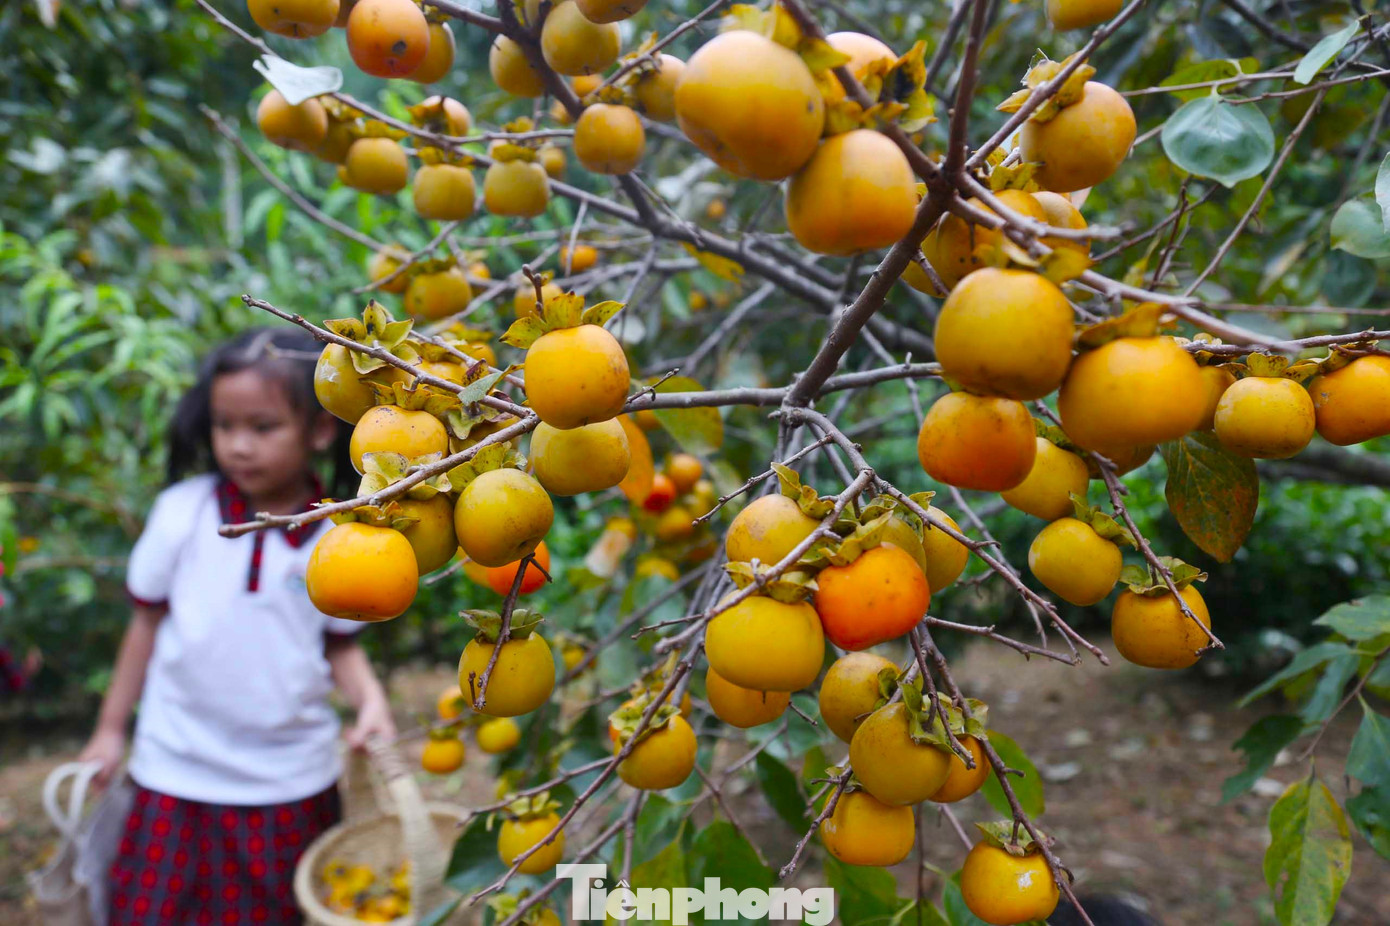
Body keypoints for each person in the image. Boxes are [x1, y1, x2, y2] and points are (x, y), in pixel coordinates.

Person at [78, 327, 398, 925]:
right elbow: (144, 628)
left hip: (288, 782)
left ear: (321, 429)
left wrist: (370, 701)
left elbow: (340, 646)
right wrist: (109, 731)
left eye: (262, 427)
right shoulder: (183, 514)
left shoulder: (338, 539)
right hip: (174, 772)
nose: (239, 446)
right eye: (225, 426)